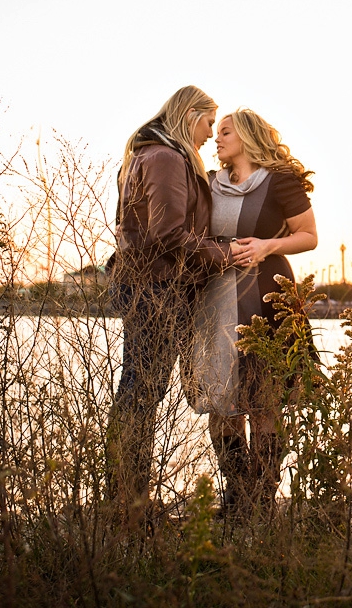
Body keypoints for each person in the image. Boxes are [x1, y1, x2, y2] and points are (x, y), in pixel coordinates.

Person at [105, 86, 233, 523]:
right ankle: (127, 503)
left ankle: (126, 499)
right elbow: (167, 234)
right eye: (207, 123)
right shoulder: (164, 156)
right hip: (156, 289)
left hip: (151, 286)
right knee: (140, 394)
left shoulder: (152, 154)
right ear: (189, 114)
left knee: (140, 392)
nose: (209, 135)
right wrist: (227, 254)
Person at [185, 107, 317, 514]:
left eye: (225, 132)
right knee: (222, 401)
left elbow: (309, 236)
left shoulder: (281, 182)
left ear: (247, 137)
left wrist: (266, 246)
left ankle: (261, 495)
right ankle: (237, 490)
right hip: (213, 298)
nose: (216, 138)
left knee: (264, 399)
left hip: (267, 296)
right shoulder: (206, 183)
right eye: (217, 131)